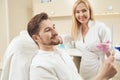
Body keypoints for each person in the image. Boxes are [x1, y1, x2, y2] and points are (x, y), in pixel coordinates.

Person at [27, 12, 117, 80]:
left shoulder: (62, 53)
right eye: (48, 30)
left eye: (53, 27)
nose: (55, 32)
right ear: (36, 38)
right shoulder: (40, 67)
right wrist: (102, 76)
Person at [63, 0, 112, 80]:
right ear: (74, 14)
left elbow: (111, 55)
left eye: (84, 10)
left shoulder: (100, 27)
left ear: (90, 11)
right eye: (77, 12)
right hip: (84, 71)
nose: (81, 14)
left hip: (100, 71)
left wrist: (107, 50)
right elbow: (64, 38)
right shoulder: (77, 30)